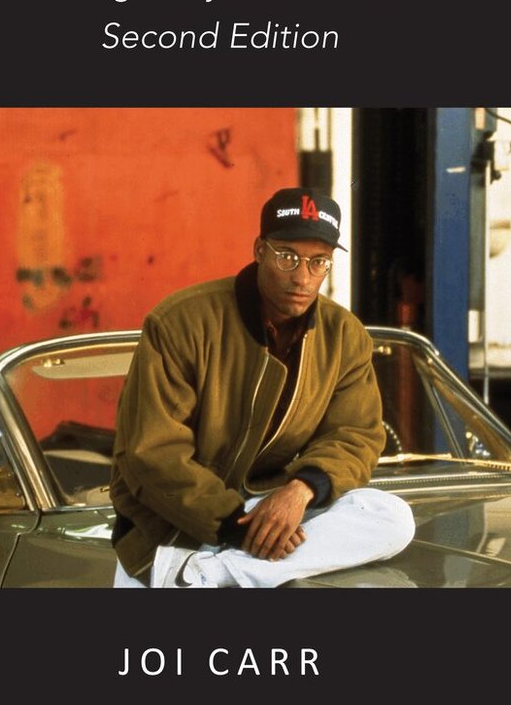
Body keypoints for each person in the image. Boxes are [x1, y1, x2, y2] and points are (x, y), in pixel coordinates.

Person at [109, 186, 415, 587]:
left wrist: (300, 491)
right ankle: (212, 567)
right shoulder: (181, 322)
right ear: (259, 250)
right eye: (287, 257)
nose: (302, 277)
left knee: (392, 516)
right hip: (174, 528)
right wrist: (238, 525)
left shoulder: (344, 335)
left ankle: (208, 576)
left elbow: (354, 436)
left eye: (318, 262)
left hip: (270, 511)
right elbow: (152, 452)